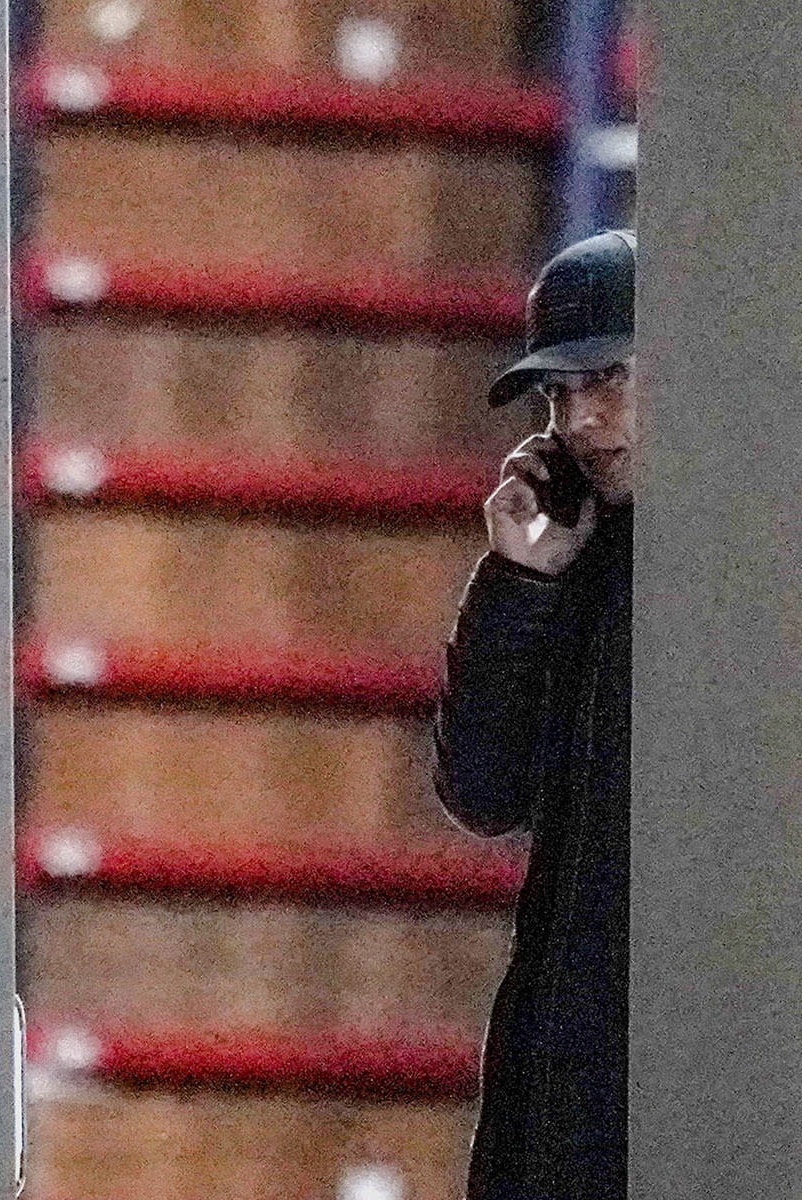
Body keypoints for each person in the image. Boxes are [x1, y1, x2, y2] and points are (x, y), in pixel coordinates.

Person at [431, 229, 636, 1199]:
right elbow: (482, 791)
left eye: (612, 380)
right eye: (561, 394)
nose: (585, 421)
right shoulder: (582, 560)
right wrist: (519, 581)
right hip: (569, 1059)